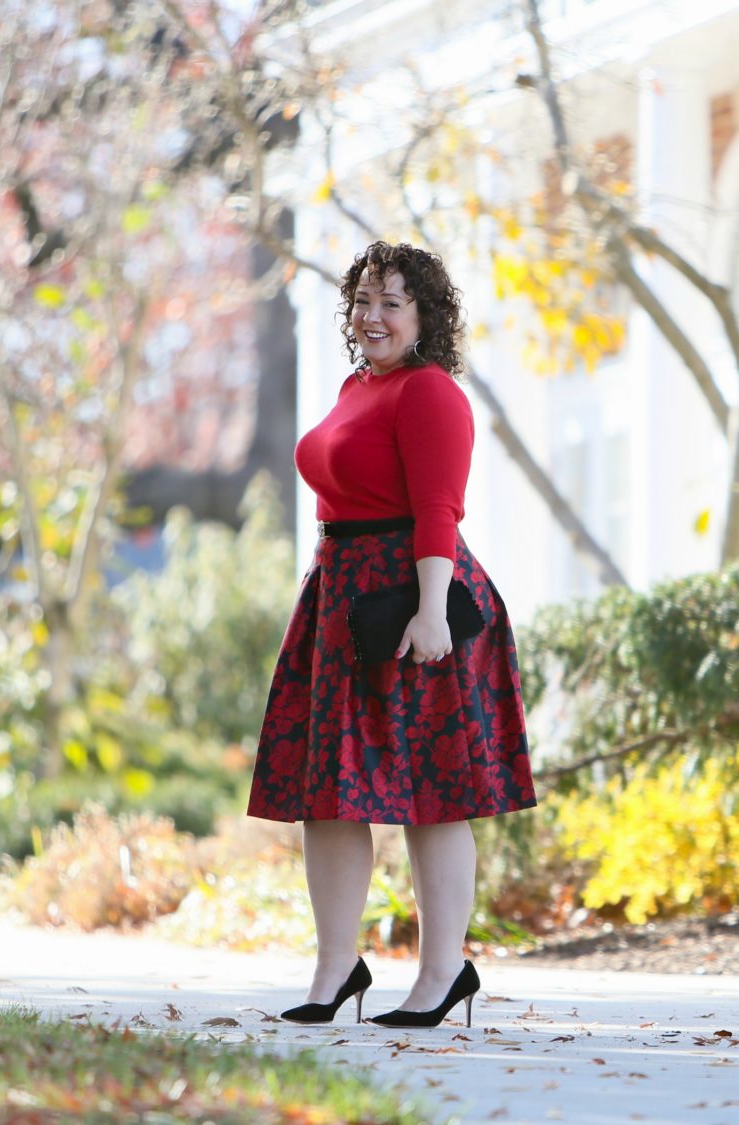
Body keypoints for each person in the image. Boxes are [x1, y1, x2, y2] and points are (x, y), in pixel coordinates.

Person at [247, 240, 536, 1028]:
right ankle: (337, 967)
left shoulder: (430, 392)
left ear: (425, 315)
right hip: (343, 597)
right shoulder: (355, 387)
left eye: (392, 303)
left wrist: (433, 612)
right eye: (364, 301)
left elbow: (439, 508)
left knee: (433, 793)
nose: (372, 316)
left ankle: (445, 970)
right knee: (329, 793)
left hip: (416, 597)